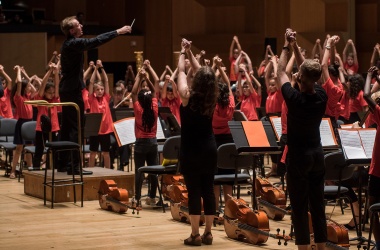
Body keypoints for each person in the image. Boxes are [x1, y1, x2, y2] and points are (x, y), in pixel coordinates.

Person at [59, 16, 131, 175]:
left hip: (67, 89)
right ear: (72, 30)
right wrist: (118, 31)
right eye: (78, 25)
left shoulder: (69, 44)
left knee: (67, 128)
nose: (81, 26)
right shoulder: (73, 43)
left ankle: (63, 163)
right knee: (76, 128)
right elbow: (96, 41)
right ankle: (74, 167)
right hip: (71, 91)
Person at [278, 29, 328, 250]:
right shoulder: (321, 96)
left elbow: (280, 70)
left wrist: (286, 46)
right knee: (318, 205)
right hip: (318, 155)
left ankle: (303, 248)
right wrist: (296, 45)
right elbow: (306, 70)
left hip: (298, 158)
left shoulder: (293, 98)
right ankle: (321, 246)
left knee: (299, 206)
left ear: (300, 76)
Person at [178, 38, 218, 246]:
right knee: (208, 190)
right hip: (210, 149)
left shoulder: (187, 96)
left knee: (194, 191)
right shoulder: (212, 94)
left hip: (191, 150)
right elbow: (204, 73)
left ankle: (195, 235)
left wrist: (182, 54)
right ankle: (209, 233)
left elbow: (182, 74)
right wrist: (190, 51)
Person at [131, 67, 159, 206]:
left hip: (140, 143)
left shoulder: (138, 110)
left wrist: (139, 76)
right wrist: (146, 78)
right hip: (153, 143)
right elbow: (154, 91)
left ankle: (137, 199)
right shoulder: (154, 108)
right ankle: (152, 197)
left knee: (139, 171)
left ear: (141, 101)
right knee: (153, 170)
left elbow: (133, 92)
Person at [212, 55, 235, 211]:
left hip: (214, 143)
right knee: (228, 180)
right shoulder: (231, 105)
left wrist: (214, 67)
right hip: (229, 144)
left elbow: (210, 86)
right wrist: (220, 67)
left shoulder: (212, 106)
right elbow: (227, 83)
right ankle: (229, 211)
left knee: (215, 180)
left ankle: (214, 211)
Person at [32, 63, 60, 171]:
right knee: (39, 149)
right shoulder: (40, 98)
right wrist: (49, 71)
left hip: (54, 128)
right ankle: (35, 169)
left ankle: (54, 169)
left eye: (53, 93)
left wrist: (56, 72)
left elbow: (57, 85)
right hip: (41, 128)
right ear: (45, 93)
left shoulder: (55, 99)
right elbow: (43, 85)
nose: (52, 94)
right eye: (49, 93)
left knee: (54, 150)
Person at [363, 66, 380, 250]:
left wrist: (370, 75)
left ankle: (379, 243)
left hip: (377, 171)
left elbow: (367, 95)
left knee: (373, 207)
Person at [9, 65, 36, 179]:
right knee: (19, 148)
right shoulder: (18, 98)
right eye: (28, 86)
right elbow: (19, 82)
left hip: (29, 123)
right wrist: (19, 71)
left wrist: (25, 73)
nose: (31, 87)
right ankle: (13, 171)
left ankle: (30, 169)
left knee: (29, 147)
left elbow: (35, 89)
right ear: (25, 88)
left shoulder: (28, 97)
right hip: (21, 123)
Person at [88, 60, 113, 169]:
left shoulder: (106, 98)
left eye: (102, 89)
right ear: (94, 90)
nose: (100, 91)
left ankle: (108, 172)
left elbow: (106, 81)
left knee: (106, 153)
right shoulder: (91, 98)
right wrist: (95, 69)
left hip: (105, 129)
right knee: (93, 153)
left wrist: (101, 68)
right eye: (97, 89)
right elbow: (91, 82)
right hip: (94, 129)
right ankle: (90, 171)